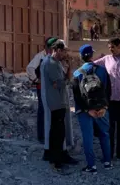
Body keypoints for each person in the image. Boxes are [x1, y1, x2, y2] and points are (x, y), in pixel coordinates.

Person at [72, 44, 113, 173]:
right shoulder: (102, 70)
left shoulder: (77, 73)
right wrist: (105, 107)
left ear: (81, 56)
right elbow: (108, 90)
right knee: (104, 134)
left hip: (85, 111)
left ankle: (91, 166)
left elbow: (77, 96)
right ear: (91, 55)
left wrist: (87, 110)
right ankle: (108, 162)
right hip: (101, 109)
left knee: (88, 137)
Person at [41, 40, 78, 171]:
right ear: (57, 50)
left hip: (59, 102)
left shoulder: (55, 63)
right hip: (55, 103)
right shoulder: (50, 63)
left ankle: (59, 156)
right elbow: (57, 84)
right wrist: (68, 77)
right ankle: (55, 160)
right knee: (57, 133)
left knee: (59, 131)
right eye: (63, 51)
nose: (64, 54)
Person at [27, 37, 58, 144]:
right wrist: (36, 79)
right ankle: (41, 136)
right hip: (42, 88)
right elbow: (30, 68)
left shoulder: (56, 57)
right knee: (43, 110)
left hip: (53, 89)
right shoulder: (40, 56)